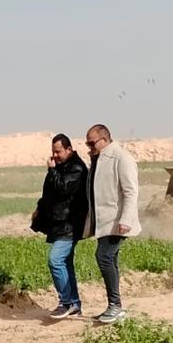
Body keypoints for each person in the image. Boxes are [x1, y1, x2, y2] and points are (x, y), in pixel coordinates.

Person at [84, 124, 141, 325]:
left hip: (117, 221)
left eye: (92, 143)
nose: (89, 147)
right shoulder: (99, 159)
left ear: (104, 139)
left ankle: (115, 305)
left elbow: (131, 192)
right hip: (104, 221)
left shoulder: (121, 158)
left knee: (104, 257)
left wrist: (126, 219)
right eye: (87, 144)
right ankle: (115, 306)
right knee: (110, 259)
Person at [31, 134, 90, 320]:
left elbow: (63, 189)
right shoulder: (61, 167)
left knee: (55, 260)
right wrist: (39, 209)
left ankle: (66, 302)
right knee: (65, 264)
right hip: (59, 224)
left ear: (69, 149)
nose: (55, 155)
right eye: (53, 152)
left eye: (58, 152)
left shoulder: (76, 168)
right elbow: (49, 193)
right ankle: (74, 304)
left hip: (70, 225)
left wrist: (52, 170)